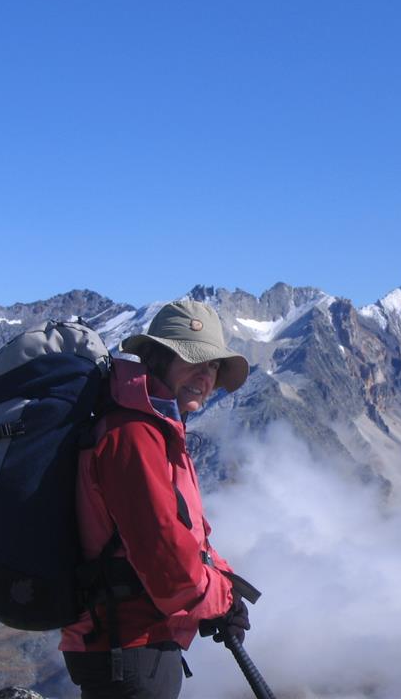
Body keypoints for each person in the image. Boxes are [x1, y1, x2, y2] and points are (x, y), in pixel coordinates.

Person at [60, 300, 251, 699]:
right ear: (156, 358)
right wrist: (220, 598)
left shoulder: (156, 428)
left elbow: (189, 536)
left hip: (137, 644)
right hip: (127, 647)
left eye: (213, 365)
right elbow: (167, 561)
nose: (205, 375)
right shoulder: (133, 434)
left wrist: (225, 587)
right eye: (192, 359)